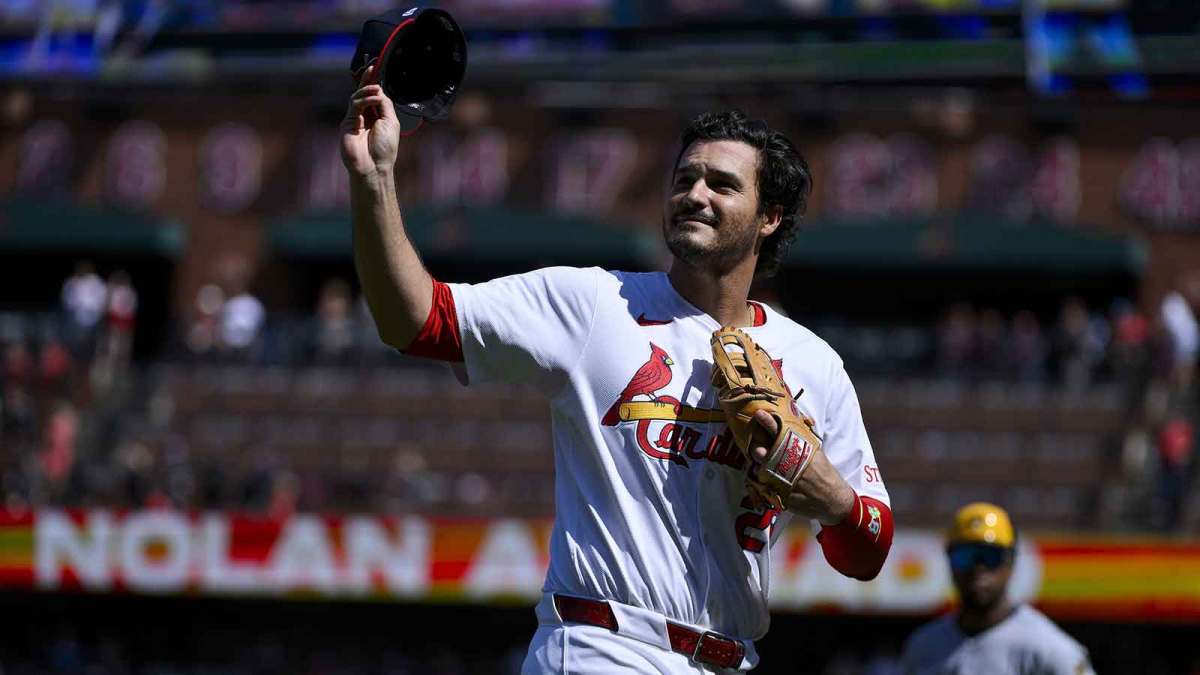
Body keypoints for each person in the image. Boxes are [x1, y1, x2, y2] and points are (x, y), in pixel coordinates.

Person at [342, 66, 893, 673]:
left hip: (730, 658)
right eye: (685, 178)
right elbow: (418, 323)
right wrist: (375, 180)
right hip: (603, 643)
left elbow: (867, 553)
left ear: (771, 218)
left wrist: (832, 497)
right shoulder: (594, 304)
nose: (695, 194)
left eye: (722, 184)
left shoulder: (815, 364)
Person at [900, 503, 1093, 675]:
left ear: (1010, 561)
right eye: (965, 555)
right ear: (949, 559)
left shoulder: (1050, 649)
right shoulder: (923, 646)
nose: (978, 568)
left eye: (990, 555)